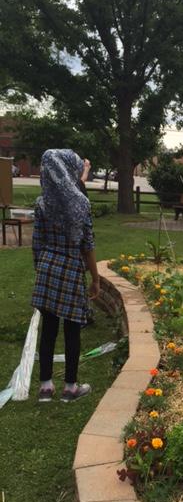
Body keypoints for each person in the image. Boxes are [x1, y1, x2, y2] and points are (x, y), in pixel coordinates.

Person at [32, 149, 100, 403]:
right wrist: (95, 278)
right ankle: (70, 388)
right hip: (71, 267)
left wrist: (41, 269)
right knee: (72, 330)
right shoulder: (81, 204)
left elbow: (37, 243)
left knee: (48, 330)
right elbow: (87, 246)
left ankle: (45, 387)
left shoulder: (42, 203)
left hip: (47, 267)